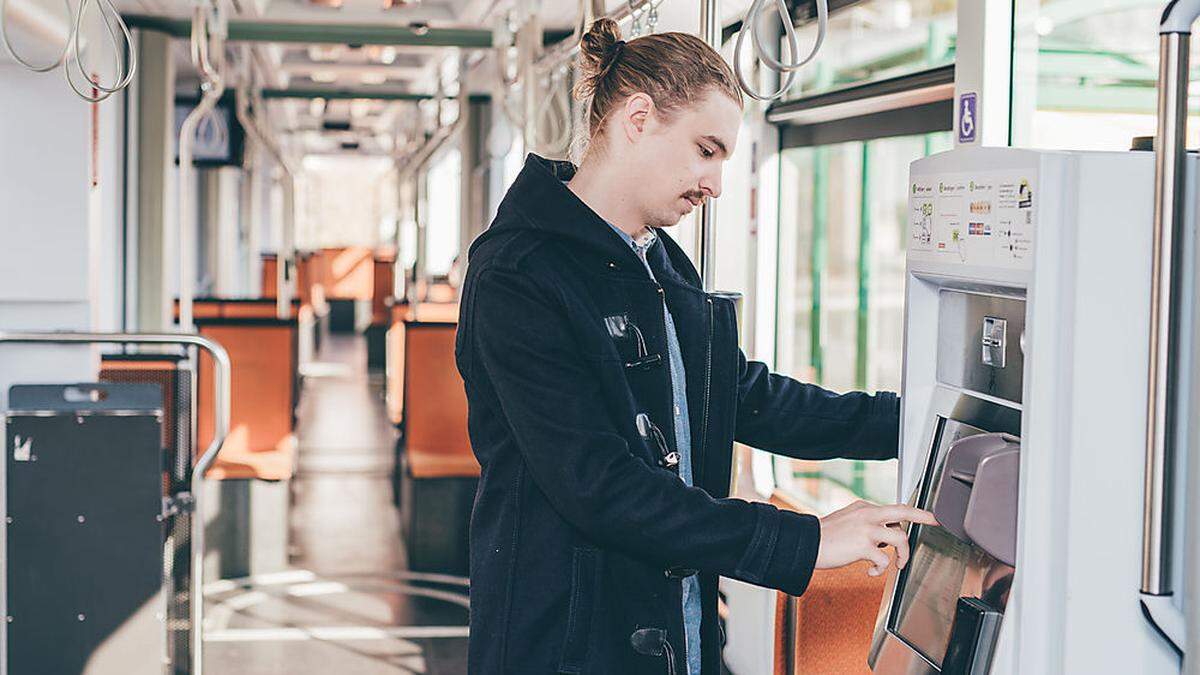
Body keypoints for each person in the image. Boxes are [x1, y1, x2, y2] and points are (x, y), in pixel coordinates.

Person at [454, 18, 936, 675]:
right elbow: (600, 486)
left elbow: (746, 398)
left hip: (675, 624)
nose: (715, 184)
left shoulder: (663, 266)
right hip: (567, 639)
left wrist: (915, 424)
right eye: (706, 150)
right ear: (639, 117)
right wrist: (806, 539)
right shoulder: (519, 274)